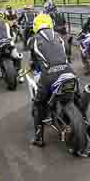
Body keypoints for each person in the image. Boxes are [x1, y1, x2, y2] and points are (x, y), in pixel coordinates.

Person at [26, 13, 72, 147]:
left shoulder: (33, 40)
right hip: (68, 71)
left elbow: (34, 62)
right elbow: (67, 52)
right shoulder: (59, 36)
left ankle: (39, 137)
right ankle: (84, 120)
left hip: (48, 77)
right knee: (77, 95)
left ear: (36, 26)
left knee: (38, 104)